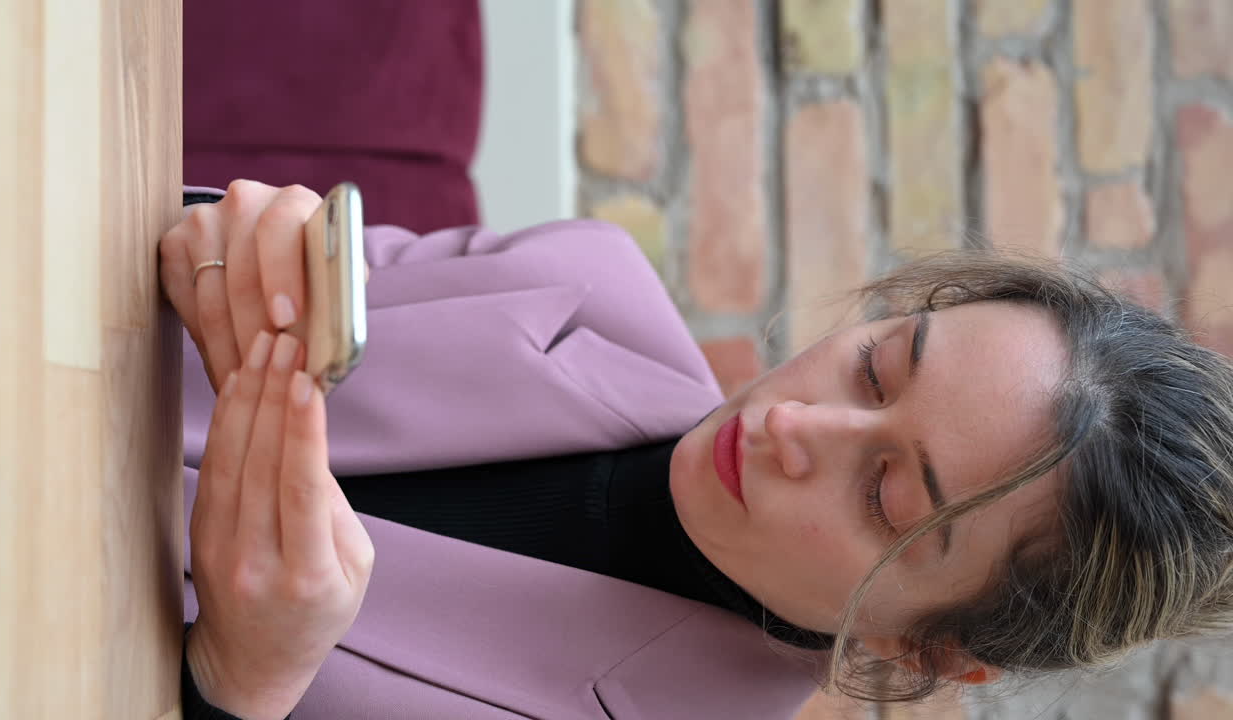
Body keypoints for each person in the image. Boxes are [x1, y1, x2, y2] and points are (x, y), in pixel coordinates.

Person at [160, 181, 1233, 718]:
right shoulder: (580, 280)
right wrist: (214, 230)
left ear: (930, 655)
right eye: (874, 369)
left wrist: (237, 687)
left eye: (887, 494)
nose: (788, 428)